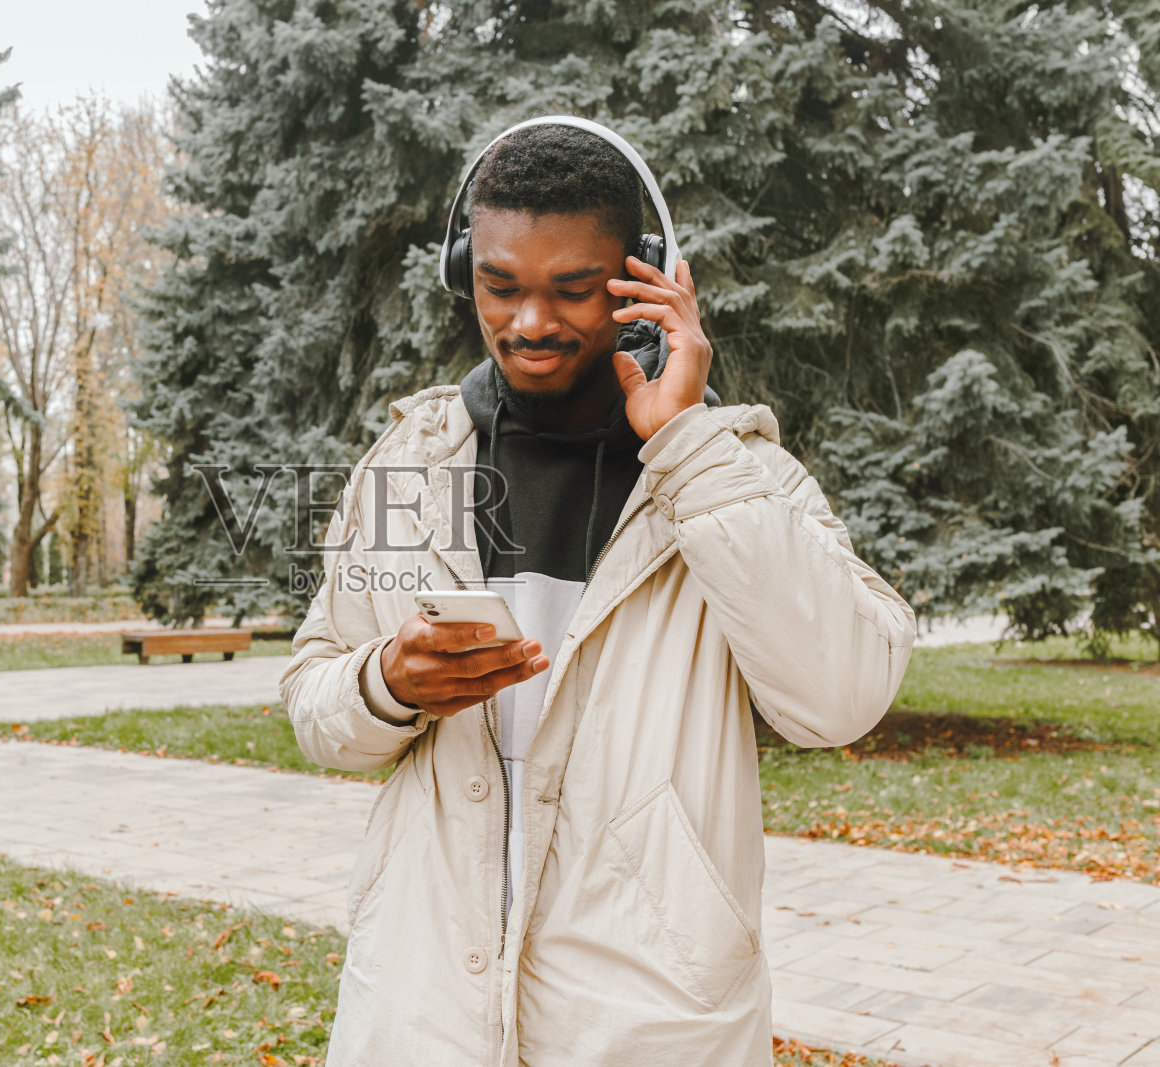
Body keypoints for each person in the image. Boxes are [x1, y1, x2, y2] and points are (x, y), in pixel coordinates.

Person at [279, 116, 915, 1067]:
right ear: (465, 274)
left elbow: (842, 697)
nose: (529, 322)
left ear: (643, 281)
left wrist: (684, 442)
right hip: (421, 1016)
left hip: (646, 1025)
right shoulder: (409, 462)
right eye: (500, 286)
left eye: (571, 289)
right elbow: (313, 702)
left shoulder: (736, 475)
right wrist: (387, 685)